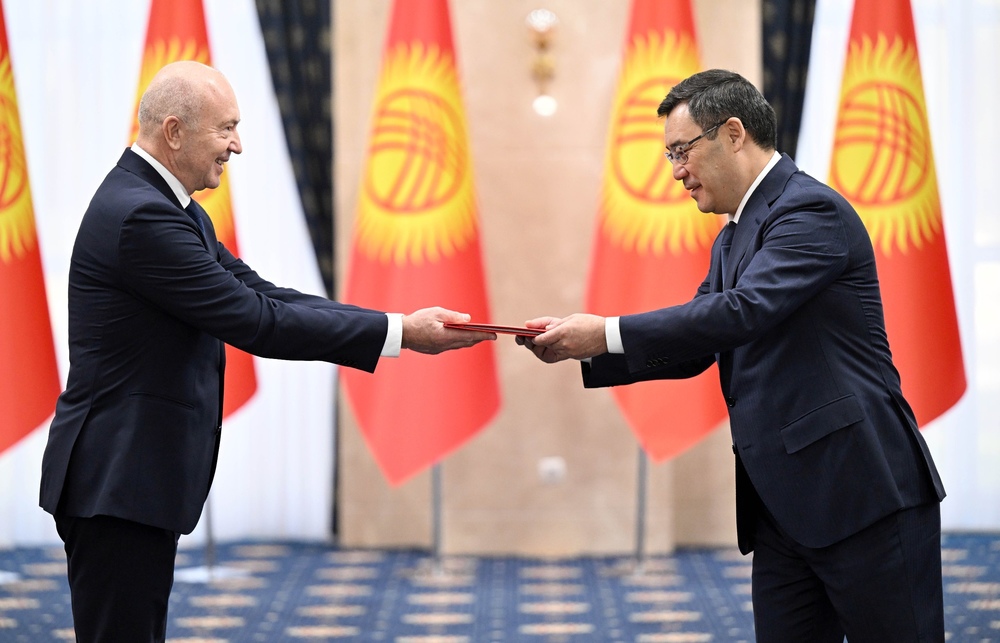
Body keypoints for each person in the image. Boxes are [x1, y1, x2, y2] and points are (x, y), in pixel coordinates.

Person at [38, 60, 494, 643]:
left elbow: (264, 293)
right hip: (116, 479)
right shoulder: (143, 216)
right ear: (174, 131)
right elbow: (257, 322)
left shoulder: (168, 206)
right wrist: (401, 334)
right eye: (226, 128)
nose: (237, 145)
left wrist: (397, 325)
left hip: (129, 478)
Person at [518, 69, 945, 642]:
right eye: (669, 156)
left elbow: (743, 311)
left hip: (861, 493)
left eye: (681, 151)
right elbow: (700, 342)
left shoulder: (809, 211)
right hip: (782, 507)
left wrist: (607, 333)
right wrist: (585, 348)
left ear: (734, 133)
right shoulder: (733, 235)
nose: (675, 171)